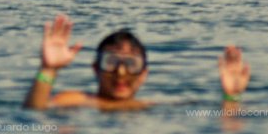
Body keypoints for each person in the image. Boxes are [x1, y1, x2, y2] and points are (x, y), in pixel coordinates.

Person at [23, 14, 249, 110]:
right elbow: (35, 113)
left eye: (131, 65)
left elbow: (227, 126)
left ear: (144, 73)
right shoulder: (77, 101)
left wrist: (231, 97)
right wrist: (48, 70)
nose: (121, 73)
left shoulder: (153, 108)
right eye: (111, 62)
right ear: (95, 69)